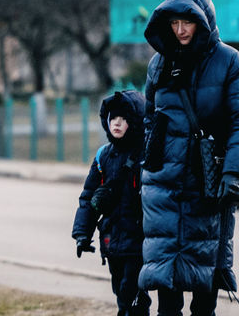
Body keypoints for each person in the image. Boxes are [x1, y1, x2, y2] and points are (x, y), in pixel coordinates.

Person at [140, 0, 239, 316]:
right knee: (166, 295)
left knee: (205, 294)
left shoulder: (229, 62)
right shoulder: (158, 65)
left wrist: (232, 172)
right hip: (164, 189)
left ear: (203, 21)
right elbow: (149, 118)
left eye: (187, 22)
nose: (180, 30)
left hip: (208, 187)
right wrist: (150, 161)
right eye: (174, 23)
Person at [74, 90, 152, 316]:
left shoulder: (145, 155)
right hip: (111, 238)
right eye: (113, 117)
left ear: (134, 122)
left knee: (131, 290)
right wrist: (82, 234)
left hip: (138, 238)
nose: (117, 123)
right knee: (120, 290)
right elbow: (88, 196)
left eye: (124, 118)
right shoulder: (103, 156)